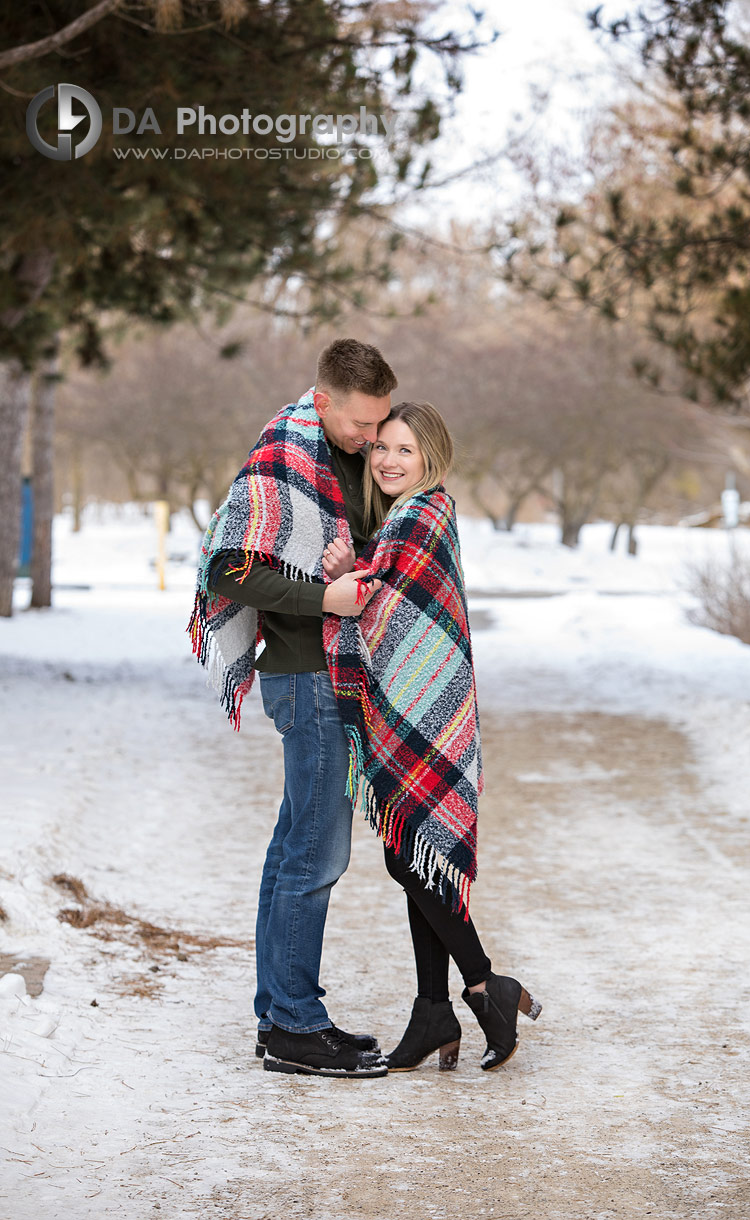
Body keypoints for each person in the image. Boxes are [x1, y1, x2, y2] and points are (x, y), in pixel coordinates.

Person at [188, 338, 397, 1079]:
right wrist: (324, 598)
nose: (370, 438)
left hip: (327, 674)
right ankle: (297, 1029)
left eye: (379, 425)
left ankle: (279, 1015)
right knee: (317, 854)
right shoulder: (283, 454)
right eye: (360, 424)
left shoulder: (347, 457)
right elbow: (227, 567)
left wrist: (358, 567)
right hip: (306, 678)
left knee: (293, 851)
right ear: (322, 401)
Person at [322, 401, 541, 1072]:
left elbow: (376, 606)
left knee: (411, 856)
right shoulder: (416, 514)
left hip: (421, 712)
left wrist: (338, 580)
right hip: (419, 712)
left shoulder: (417, 517)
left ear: (430, 459)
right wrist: (359, 566)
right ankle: (432, 1012)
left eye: (404, 451)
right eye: (382, 447)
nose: (388, 459)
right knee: (413, 853)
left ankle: (481, 986)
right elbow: (383, 588)